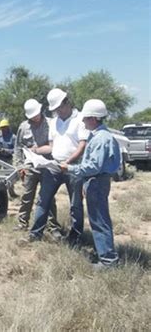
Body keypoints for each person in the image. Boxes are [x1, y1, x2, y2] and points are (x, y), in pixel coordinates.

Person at [60, 99, 120, 269]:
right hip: (97, 182)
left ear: (94, 118)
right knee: (99, 220)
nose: (83, 121)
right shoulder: (101, 136)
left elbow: (93, 167)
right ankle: (106, 255)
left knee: (99, 221)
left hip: (98, 182)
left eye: (85, 118)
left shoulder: (101, 139)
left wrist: (70, 168)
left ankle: (108, 261)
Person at [28, 88, 89, 244]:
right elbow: (51, 146)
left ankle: (75, 236)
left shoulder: (81, 118)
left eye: (59, 108)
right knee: (43, 200)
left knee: (75, 204)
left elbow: (82, 146)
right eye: (54, 109)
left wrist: (67, 163)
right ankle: (35, 234)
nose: (57, 112)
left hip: (73, 166)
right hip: (54, 165)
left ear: (66, 102)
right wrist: (35, 153)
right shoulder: (54, 122)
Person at [14, 99, 62, 238]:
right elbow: (18, 147)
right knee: (27, 195)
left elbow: (55, 144)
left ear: (41, 110)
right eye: (32, 116)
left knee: (48, 197)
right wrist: (19, 166)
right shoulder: (23, 127)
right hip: (30, 166)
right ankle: (23, 223)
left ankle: (52, 226)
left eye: (36, 114)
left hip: (47, 166)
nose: (35, 118)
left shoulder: (51, 124)